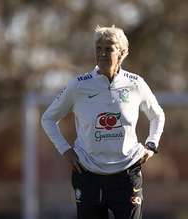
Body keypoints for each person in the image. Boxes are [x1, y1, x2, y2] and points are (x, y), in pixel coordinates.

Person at [41, 25, 165, 219]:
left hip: (127, 174)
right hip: (88, 174)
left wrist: (151, 145)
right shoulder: (78, 85)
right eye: (98, 48)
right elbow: (48, 118)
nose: (103, 53)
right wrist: (65, 149)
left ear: (122, 52)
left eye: (109, 48)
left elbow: (157, 115)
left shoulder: (136, 83)